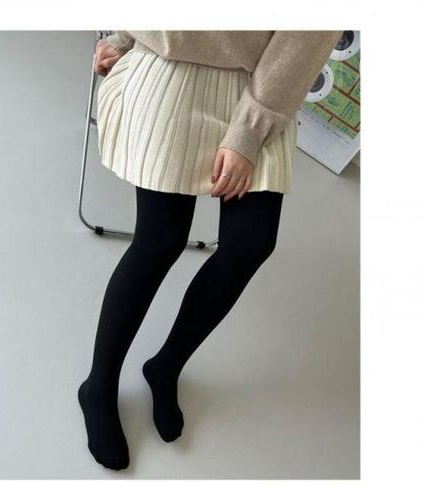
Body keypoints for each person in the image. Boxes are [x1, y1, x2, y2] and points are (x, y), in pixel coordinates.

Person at [78, 29, 343, 471]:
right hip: (172, 67)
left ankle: (165, 366)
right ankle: (98, 385)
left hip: (265, 86)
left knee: (250, 243)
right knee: (159, 240)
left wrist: (247, 134)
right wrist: (124, 34)